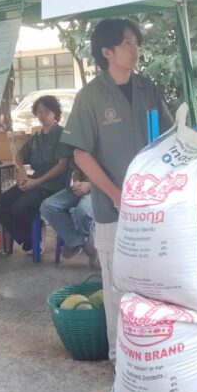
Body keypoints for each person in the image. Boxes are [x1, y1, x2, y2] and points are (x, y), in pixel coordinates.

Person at [61, 19, 173, 360]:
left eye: (135, 42)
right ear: (107, 51)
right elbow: (81, 154)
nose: (134, 48)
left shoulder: (147, 88)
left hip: (152, 208)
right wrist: (115, 194)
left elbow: (169, 138)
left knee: (153, 282)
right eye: (127, 43)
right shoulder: (91, 96)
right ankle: (119, 357)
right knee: (117, 287)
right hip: (113, 209)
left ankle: (150, 353)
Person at [0, 94, 69, 252]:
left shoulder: (62, 135)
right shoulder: (37, 137)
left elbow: (62, 166)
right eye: (39, 111)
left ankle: (33, 236)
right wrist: (21, 170)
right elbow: (19, 156)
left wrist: (36, 182)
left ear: (55, 113)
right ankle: (29, 237)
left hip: (52, 186)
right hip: (33, 182)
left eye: (46, 111)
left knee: (20, 207)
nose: (42, 115)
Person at [40, 166, 98, 266]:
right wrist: (77, 182)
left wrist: (89, 185)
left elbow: (117, 178)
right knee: (47, 206)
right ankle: (79, 241)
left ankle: (80, 241)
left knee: (83, 210)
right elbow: (77, 170)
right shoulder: (80, 155)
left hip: (102, 191)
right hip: (82, 187)